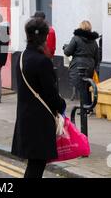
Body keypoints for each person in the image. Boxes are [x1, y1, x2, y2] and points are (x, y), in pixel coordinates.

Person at [12, 17, 66, 178]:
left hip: (25, 118)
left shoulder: (22, 57)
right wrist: (62, 105)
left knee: (34, 165)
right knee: (36, 166)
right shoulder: (43, 61)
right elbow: (51, 95)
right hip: (39, 122)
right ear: (44, 37)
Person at [63, 20, 100, 103]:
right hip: (90, 65)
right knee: (87, 85)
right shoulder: (94, 41)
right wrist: (94, 66)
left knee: (80, 85)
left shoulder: (76, 38)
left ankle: (84, 108)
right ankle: (88, 106)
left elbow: (67, 52)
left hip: (78, 65)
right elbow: (97, 57)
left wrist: (65, 48)